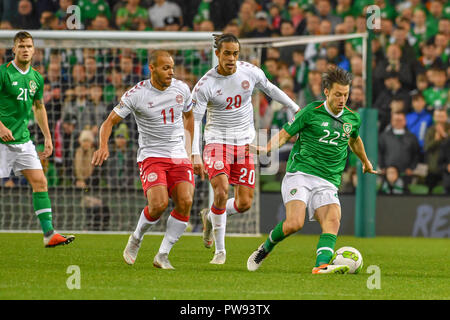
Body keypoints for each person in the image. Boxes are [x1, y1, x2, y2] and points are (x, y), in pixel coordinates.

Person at [246, 67, 377, 274]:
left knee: (332, 220)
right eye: (337, 94)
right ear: (326, 92)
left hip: (328, 179)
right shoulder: (310, 112)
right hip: (301, 174)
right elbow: (284, 135)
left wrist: (366, 162)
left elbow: (355, 140)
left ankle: (321, 265)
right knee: (294, 223)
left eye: (345, 94)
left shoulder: (352, 119)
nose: (342, 99)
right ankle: (266, 247)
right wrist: (266, 148)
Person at [191, 34, 301, 265]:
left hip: (245, 143)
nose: (231, 58)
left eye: (235, 53)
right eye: (227, 53)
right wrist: (195, 153)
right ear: (218, 54)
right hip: (217, 142)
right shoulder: (205, 84)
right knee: (221, 191)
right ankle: (220, 251)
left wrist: (294, 106)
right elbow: (195, 120)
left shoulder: (249, 72)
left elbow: (270, 89)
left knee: (244, 204)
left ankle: (210, 216)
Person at [92, 50, 195, 269]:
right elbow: (109, 122)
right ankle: (136, 238)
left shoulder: (182, 89)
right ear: (153, 68)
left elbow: (189, 117)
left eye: (172, 67)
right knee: (159, 204)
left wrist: (189, 149)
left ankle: (163, 254)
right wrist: (103, 145)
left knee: (185, 202)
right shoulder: (136, 94)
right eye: (165, 68)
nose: (171, 72)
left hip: (178, 155)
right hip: (152, 156)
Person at [0, 31, 74, 247]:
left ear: (34, 50)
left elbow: (39, 107)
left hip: (22, 141)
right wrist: (1, 126)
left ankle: (49, 233)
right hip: (1, 141)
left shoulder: (36, 78)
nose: (25, 50)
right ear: (13, 49)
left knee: (40, 182)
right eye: (21, 46)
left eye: (29, 46)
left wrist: (48, 137)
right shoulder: (3, 73)